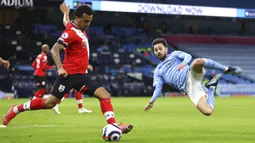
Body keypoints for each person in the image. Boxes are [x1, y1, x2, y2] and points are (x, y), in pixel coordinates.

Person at [3, 4, 133, 134]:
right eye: (85, 21)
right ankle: (15, 109)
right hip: (68, 76)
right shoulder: (70, 33)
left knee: (104, 94)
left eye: (90, 21)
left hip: (81, 76)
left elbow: (66, 22)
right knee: (49, 103)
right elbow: (54, 49)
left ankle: (113, 125)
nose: (88, 24)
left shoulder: (76, 27)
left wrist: (65, 12)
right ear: (77, 18)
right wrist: (59, 68)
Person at [144, 38, 242, 116]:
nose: (158, 51)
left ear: (166, 49)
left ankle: (226, 69)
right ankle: (211, 87)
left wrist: (184, 63)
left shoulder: (174, 55)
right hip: (189, 88)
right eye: (155, 50)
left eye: (160, 49)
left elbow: (188, 56)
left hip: (190, 73)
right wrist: (151, 102)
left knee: (197, 61)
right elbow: (158, 88)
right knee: (208, 111)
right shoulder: (157, 70)